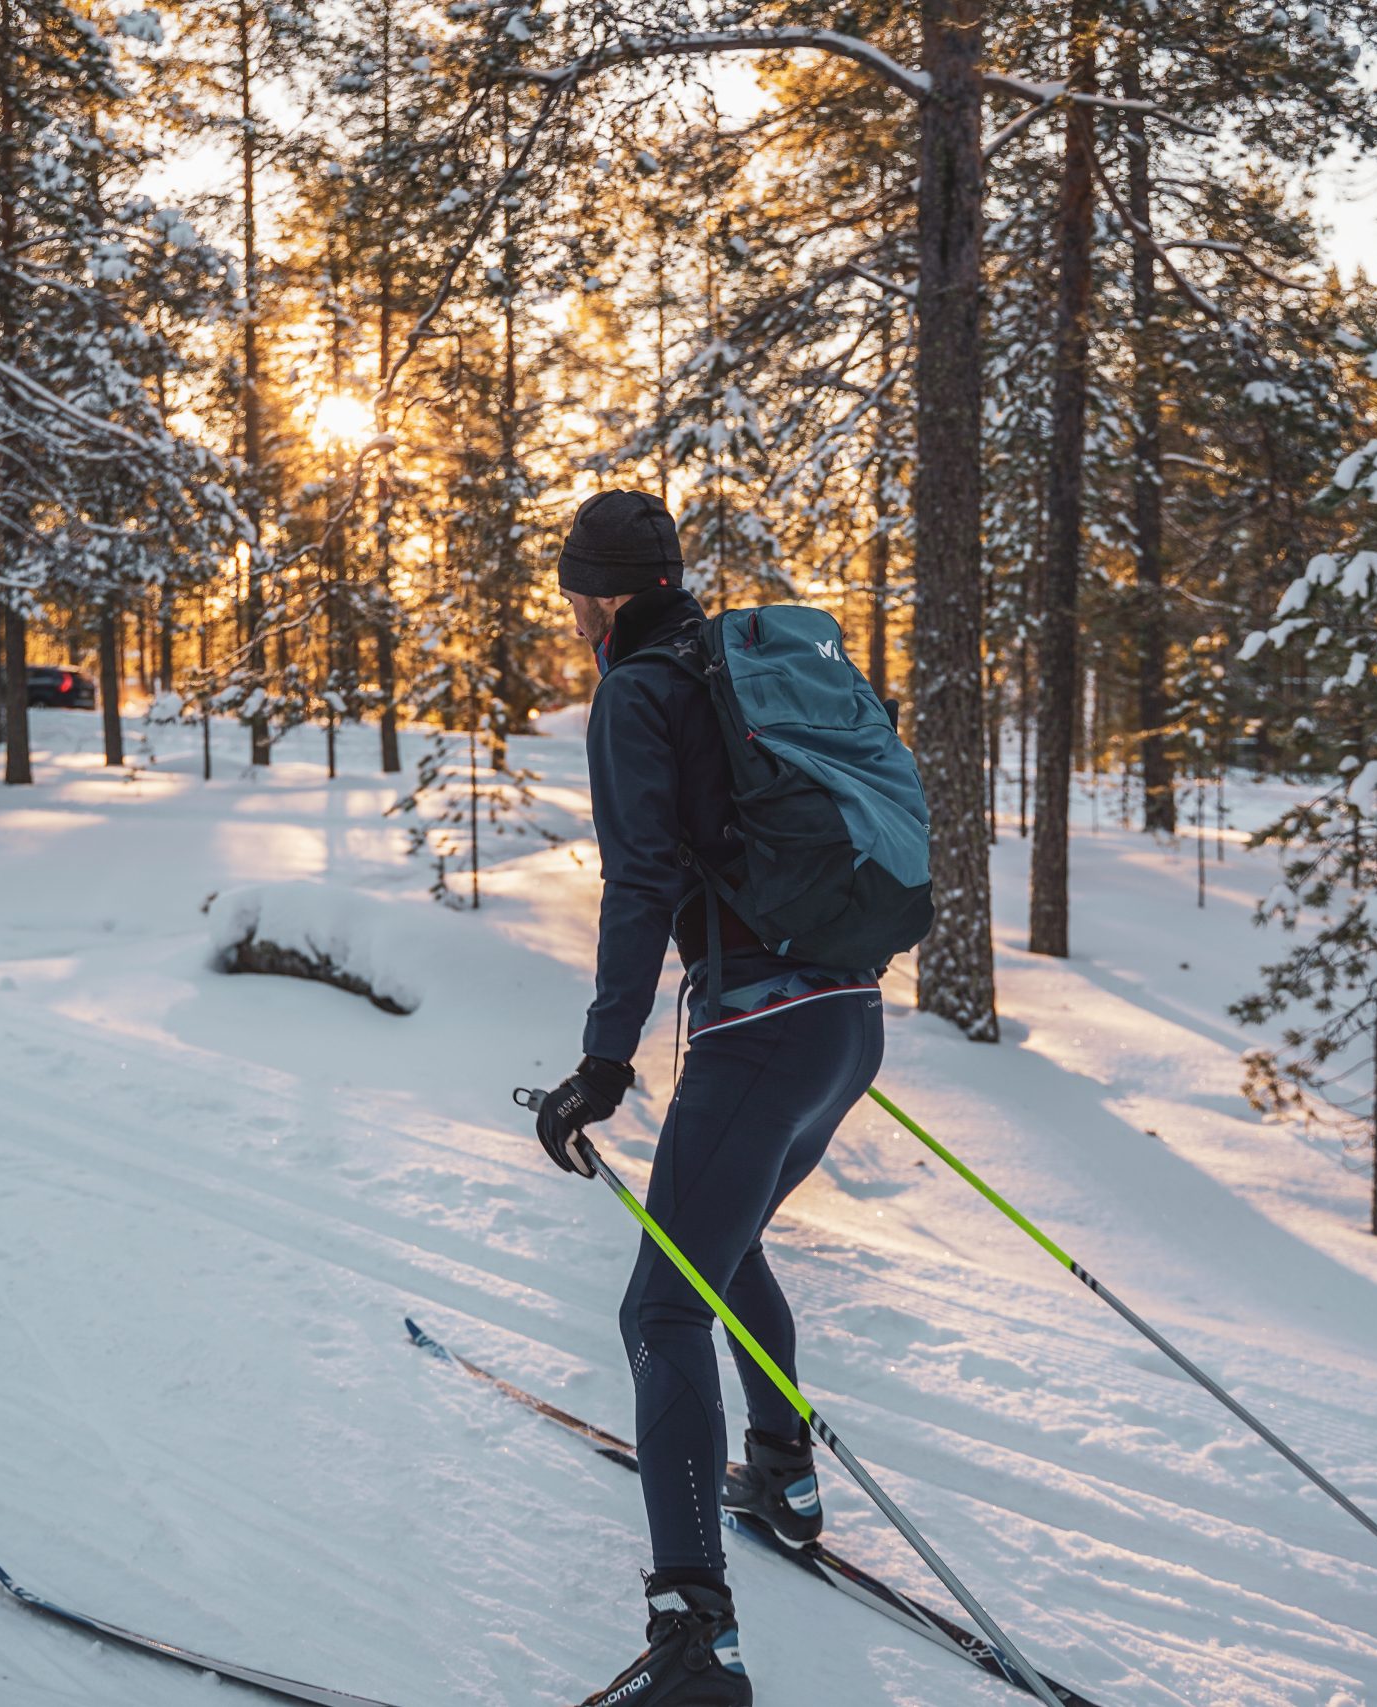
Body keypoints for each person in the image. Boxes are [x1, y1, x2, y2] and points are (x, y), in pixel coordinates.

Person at [530, 490, 887, 1707]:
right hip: (845, 1023)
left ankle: (694, 1644)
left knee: (657, 1315)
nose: (572, 612)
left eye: (574, 591)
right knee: (715, 1253)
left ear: (604, 592)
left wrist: (602, 1062)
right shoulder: (729, 668)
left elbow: (638, 882)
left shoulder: (637, 688)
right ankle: (781, 1485)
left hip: (760, 1035)